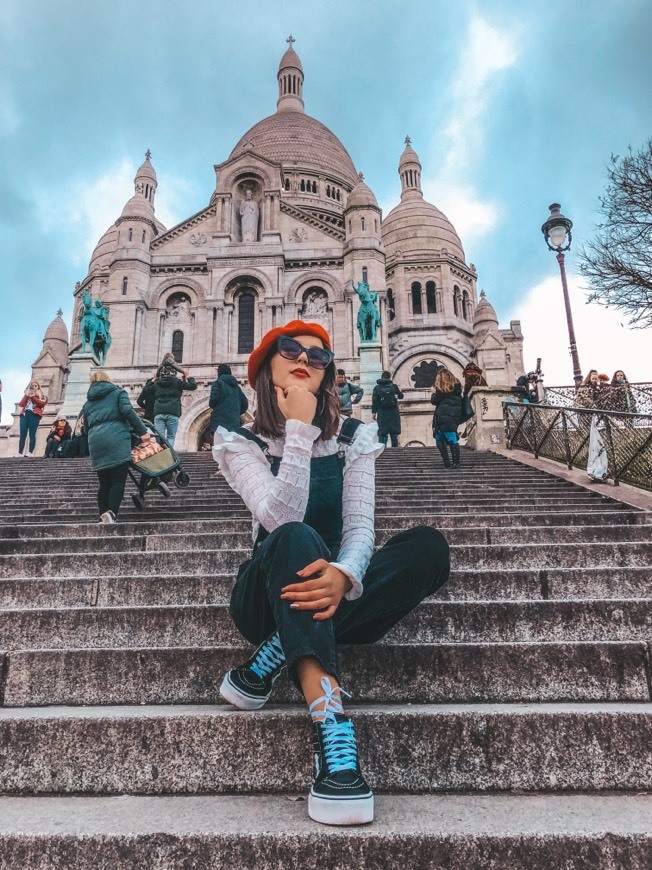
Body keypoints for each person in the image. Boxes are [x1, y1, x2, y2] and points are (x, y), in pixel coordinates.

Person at [212, 320, 450, 827]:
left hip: (338, 593)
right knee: (297, 536)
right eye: (291, 349)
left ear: (328, 375)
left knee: (428, 547)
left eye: (318, 357)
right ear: (264, 368)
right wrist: (298, 432)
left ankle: (276, 652)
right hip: (264, 595)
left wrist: (344, 574)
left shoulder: (354, 438)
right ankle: (331, 725)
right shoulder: (237, 442)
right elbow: (280, 516)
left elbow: (361, 529)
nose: (304, 360)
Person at [81, 371, 150, 523]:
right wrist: (142, 431)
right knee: (118, 480)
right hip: (116, 438)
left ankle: (102, 516)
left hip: (96, 442)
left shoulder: (87, 403)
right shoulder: (118, 393)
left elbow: (85, 428)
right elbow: (127, 411)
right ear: (108, 380)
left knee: (104, 483)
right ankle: (111, 513)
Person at [152, 364, 197, 447]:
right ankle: (169, 455)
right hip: (173, 412)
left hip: (159, 412)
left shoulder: (157, 383)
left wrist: (153, 380)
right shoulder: (177, 383)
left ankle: (160, 454)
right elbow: (193, 386)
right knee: (171, 436)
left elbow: (146, 390)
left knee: (159, 437)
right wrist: (187, 376)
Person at [431, 369, 463, 469]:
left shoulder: (441, 389)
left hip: (443, 416)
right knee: (441, 438)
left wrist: (433, 392)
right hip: (454, 416)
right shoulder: (456, 387)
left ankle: (454, 463)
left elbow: (434, 401)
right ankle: (450, 462)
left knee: (447, 438)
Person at [209, 364, 249, 435]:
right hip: (234, 421)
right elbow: (245, 404)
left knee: (220, 444)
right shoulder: (237, 388)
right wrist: (235, 412)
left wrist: (217, 407)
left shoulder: (218, 383)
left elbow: (213, 400)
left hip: (219, 420)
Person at [371, 371, 403, 447]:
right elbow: (401, 396)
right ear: (389, 377)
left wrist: (374, 412)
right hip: (393, 413)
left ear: (381, 377)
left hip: (382, 413)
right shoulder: (394, 386)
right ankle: (395, 451)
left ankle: (382, 451)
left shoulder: (377, 388)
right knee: (394, 433)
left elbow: (375, 401)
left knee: (382, 433)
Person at [17, 380, 47, 457]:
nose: (33, 387)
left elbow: (41, 404)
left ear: (38, 388)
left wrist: (32, 397)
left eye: (35, 386)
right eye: (32, 386)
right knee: (23, 434)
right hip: (24, 415)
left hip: (34, 415)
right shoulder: (27, 395)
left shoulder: (42, 396)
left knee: (32, 434)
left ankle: (30, 452)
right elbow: (21, 404)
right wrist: (26, 395)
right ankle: (20, 452)